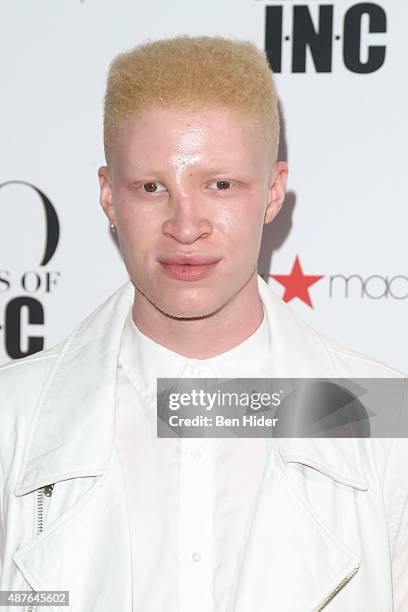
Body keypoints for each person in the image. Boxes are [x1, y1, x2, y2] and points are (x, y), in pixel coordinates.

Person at [0, 35, 407, 612]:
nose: (185, 226)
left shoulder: (384, 424)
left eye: (219, 185)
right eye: (150, 187)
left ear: (271, 192)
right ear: (108, 197)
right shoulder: (11, 417)